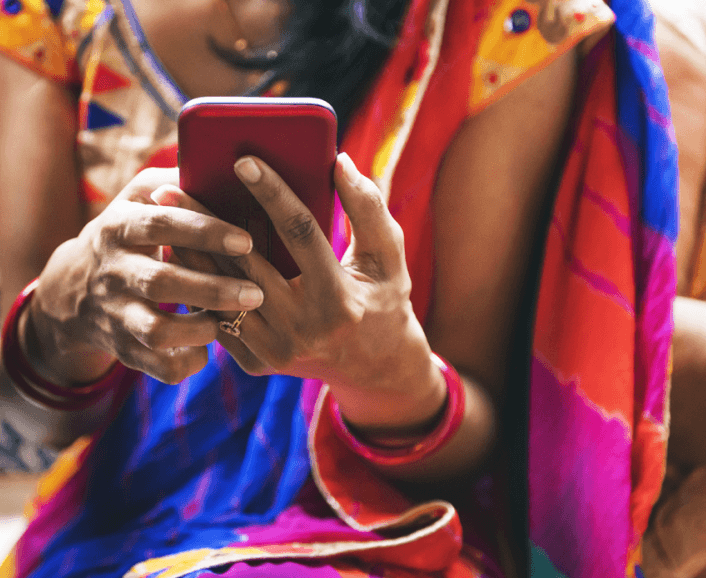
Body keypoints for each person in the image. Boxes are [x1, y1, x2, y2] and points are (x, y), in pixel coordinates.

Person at [0, 0, 677, 577]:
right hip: (112, 520)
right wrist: (61, 317)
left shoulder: (500, 21)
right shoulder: (51, 16)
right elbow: (20, 426)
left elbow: (488, 435)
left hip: (374, 536)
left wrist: (389, 374)